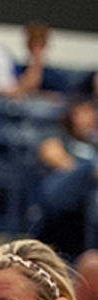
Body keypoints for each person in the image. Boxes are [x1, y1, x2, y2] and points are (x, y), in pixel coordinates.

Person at [33, 98, 98, 257]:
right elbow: (60, 163)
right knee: (87, 170)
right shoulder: (58, 136)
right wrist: (88, 169)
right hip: (61, 200)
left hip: (87, 205)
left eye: (92, 113)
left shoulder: (94, 144)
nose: (90, 118)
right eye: (84, 112)